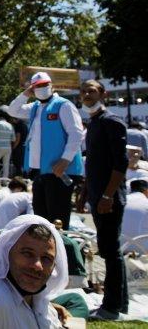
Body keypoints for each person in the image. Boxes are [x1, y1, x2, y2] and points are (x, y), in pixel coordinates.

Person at [8, 71, 84, 229]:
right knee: (41, 218)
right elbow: (13, 110)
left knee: (58, 219)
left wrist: (65, 160)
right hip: (40, 172)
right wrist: (26, 93)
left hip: (59, 171)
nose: (41, 88)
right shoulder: (35, 107)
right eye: (37, 86)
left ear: (52, 86)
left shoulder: (63, 105)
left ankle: (60, 252)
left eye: (44, 85)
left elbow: (76, 134)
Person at [80, 79, 129, 320]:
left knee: (111, 252)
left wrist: (108, 195)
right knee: (110, 251)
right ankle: (119, 303)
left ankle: (111, 307)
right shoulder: (94, 122)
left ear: (103, 93)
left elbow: (121, 164)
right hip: (99, 196)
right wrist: (86, 194)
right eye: (83, 91)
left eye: (91, 90)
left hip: (109, 199)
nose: (86, 94)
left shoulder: (111, 121)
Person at [122, 179, 148, 253]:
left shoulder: (121, 201)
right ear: (146, 190)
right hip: (142, 249)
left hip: (118, 246)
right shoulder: (146, 202)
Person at [0, 109, 17, 178]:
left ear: (0, 117)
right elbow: (13, 139)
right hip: (8, 148)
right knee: (6, 164)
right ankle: (5, 181)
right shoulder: (10, 125)